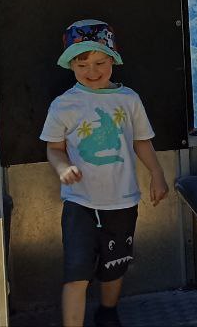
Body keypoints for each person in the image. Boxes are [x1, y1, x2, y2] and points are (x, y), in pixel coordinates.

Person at [40, 19, 169, 327]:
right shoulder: (63, 105)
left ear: (113, 60)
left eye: (99, 62)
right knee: (76, 272)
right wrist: (63, 167)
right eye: (82, 64)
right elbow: (54, 148)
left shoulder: (129, 99)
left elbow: (141, 141)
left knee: (115, 266)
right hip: (80, 203)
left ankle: (108, 312)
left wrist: (157, 173)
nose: (92, 70)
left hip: (123, 201)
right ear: (71, 65)